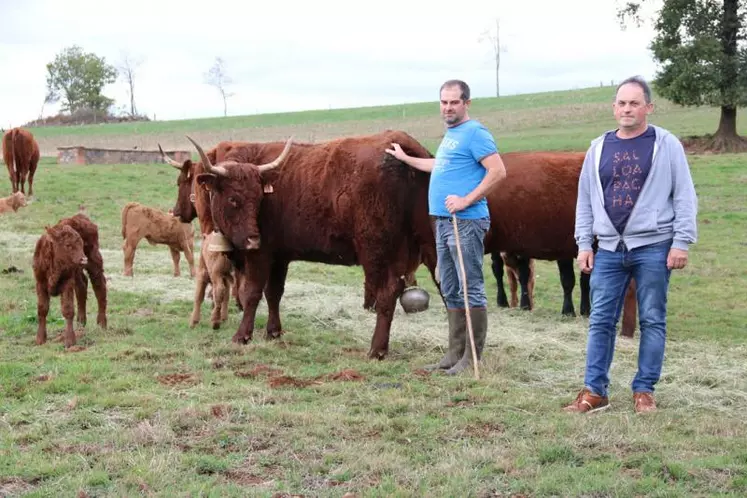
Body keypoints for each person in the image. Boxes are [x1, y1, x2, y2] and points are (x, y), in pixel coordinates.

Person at [565, 75, 698, 414]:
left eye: (634, 103)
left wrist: (681, 242)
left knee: (652, 319)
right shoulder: (598, 148)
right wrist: (584, 243)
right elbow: (585, 200)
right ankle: (595, 392)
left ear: (648, 108)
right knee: (600, 320)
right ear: (614, 108)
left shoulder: (666, 144)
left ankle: (644, 391)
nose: (627, 109)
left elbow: (684, 194)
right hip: (608, 249)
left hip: (654, 246)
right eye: (621, 103)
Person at [386, 79, 506, 374]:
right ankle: (454, 353)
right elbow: (440, 165)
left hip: (465, 222)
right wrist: (406, 159)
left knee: (470, 287)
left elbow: (498, 171)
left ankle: (472, 358)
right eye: (444, 102)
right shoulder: (452, 134)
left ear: (467, 103)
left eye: (454, 102)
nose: (448, 107)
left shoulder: (475, 133)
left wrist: (466, 199)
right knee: (451, 287)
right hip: (442, 222)